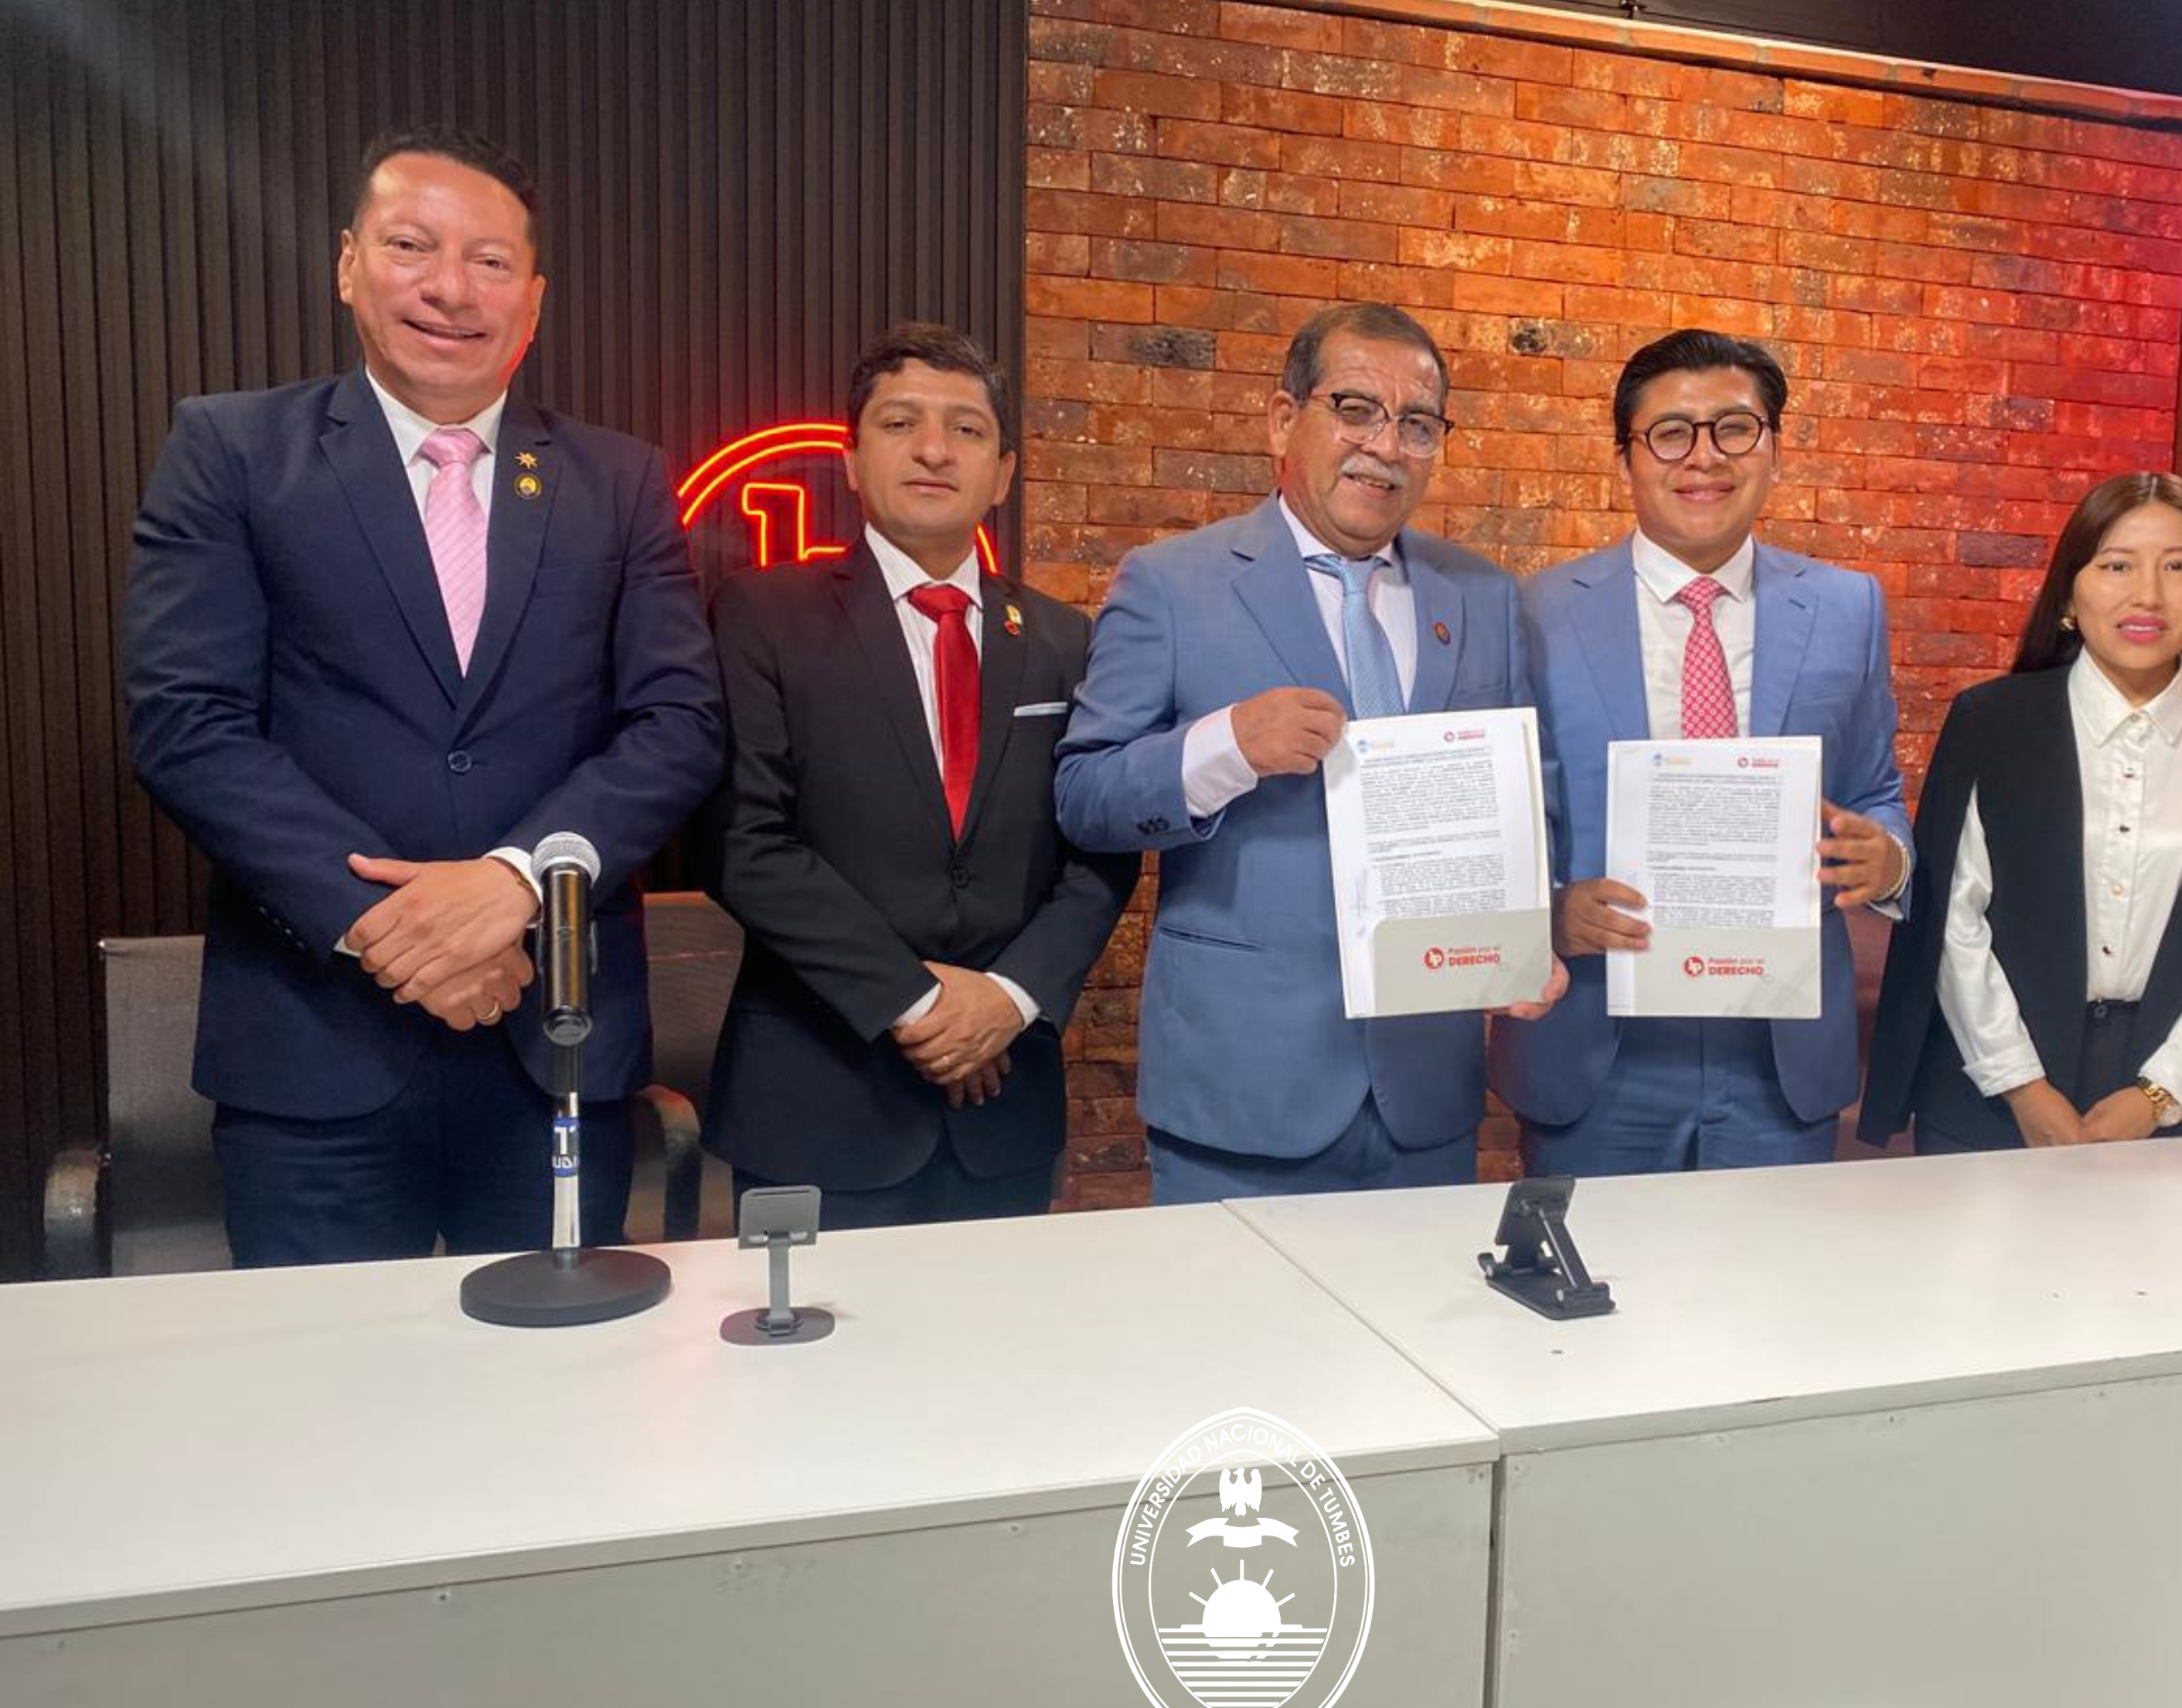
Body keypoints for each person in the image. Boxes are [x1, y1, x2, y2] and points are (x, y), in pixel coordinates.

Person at [123, 127, 725, 1266]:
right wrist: (393, 934)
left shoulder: (620, 480)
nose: (450, 288)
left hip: (555, 1040)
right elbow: (188, 725)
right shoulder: (232, 451)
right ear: (349, 264)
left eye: (490, 262)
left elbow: (677, 723)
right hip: (314, 1047)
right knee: (325, 1375)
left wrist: (517, 882)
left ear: (532, 301)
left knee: (561, 1369)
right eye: (412, 246)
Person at [1054, 301, 1561, 1203]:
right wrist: (1224, 747)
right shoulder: (1172, 583)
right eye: (1355, 409)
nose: (1386, 445)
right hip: (1242, 1087)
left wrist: (1526, 932)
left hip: (1424, 1090)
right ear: (1283, 419)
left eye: (1417, 424)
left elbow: (1525, 801)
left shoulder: (1482, 594)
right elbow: (1084, 796)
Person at [700, 324, 1135, 1227]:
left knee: (1000, 1325)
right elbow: (744, 842)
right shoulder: (762, 615)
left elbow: (1099, 847)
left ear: (1002, 473)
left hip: (1005, 1100)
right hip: (818, 1097)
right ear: (852, 460)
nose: (934, 449)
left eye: (966, 430)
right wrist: (924, 1004)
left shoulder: (1064, 639)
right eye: (901, 423)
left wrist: (1007, 999)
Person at [1488, 329, 1912, 1175]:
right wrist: (1548, 913)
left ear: (1774, 448)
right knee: (1594, 1261)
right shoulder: (1532, 613)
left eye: (1734, 428)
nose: (1704, 457)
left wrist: (1888, 859)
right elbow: (1499, 816)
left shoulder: (1846, 608)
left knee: (1771, 1264)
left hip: (1778, 1051)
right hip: (1599, 1048)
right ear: (1625, 458)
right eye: (1671, 433)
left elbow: (1875, 788)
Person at [1859, 471, 2182, 1154]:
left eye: (2178, 567)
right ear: (2070, 594)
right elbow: (1953, 920)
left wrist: (2160, 1094)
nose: (2148, 594)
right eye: (2117, 565)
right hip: (1990, 1088)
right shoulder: (1994, 721)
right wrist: (2021, 1086)